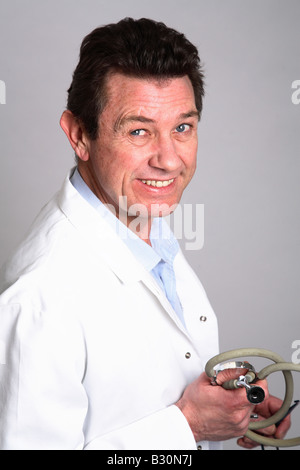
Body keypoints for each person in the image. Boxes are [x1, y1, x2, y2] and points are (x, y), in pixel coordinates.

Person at [0, 17, 290, 450]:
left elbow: (153, 377)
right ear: (79, 135)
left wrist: (230, 403)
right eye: (139, 131)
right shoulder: (42, 295)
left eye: (182, 128)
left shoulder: (144, 226)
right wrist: (189, 428)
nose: (169, 160)